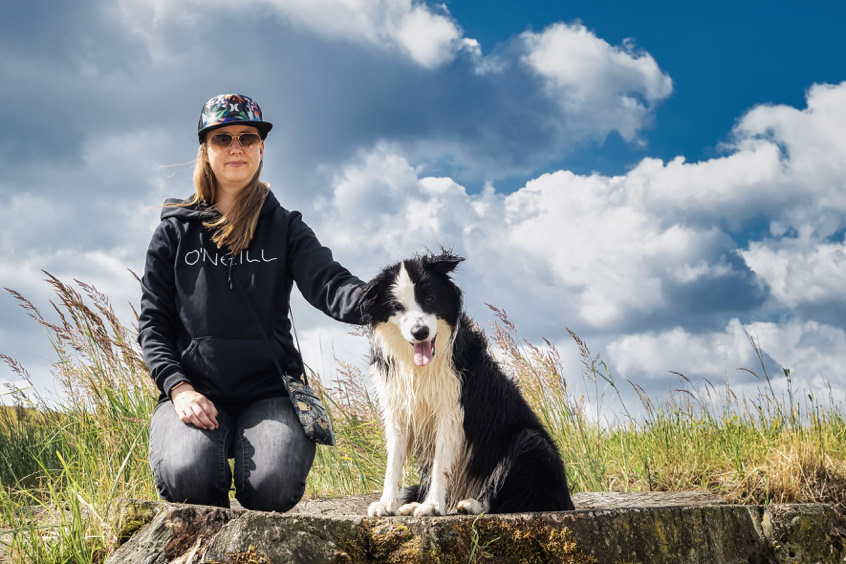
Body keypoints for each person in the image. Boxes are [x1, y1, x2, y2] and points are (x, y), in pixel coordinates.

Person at [138, 93, 365, 512]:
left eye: (247, 136)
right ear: (206, 152)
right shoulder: (174, 233)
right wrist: (179, 388)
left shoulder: (285, 227)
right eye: (222, 139)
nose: (236, 147)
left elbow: (329, 283)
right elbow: (152, 324)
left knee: (272, 487)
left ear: (262, 147)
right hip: (196, 389)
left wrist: (386, 300)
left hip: (270, 392)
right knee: (189, 476)